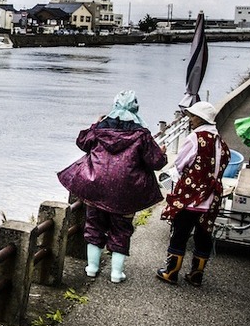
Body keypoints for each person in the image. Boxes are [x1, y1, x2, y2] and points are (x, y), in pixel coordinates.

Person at [57, 90, 168, 283]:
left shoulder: (101, 128)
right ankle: (116, 273)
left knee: (94, 225)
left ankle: (92, 267)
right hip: (126, 192)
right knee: (121, 229)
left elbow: (82, 142)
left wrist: (96, 123)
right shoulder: (142, 134)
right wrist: (163, 152)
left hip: (96, 186)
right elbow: (156, 162)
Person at [157, 101, 231, 287]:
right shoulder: (219, 140)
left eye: (192, 116)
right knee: (203, 235)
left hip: (191, 196)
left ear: (200, 118)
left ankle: (171, 272)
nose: (190, 120)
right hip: (211, 197)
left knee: (180, 233)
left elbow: (181, 163)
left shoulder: (195, 138)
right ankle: (196, 275)